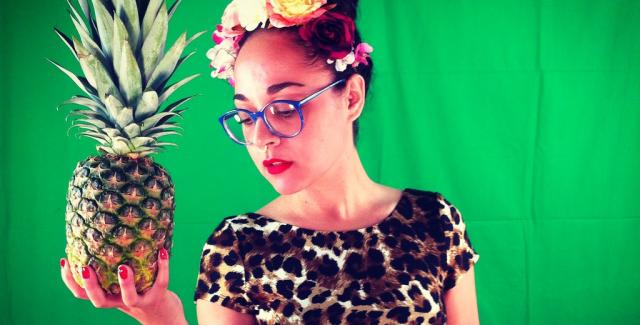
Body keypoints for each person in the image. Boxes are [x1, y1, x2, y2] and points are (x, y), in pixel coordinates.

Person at [60, 0, 480, 324]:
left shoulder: (435, 221)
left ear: (351, 97)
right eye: (245, 114)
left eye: (284, 107)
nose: (260, 137)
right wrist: (161, 317)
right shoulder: (236, 246)